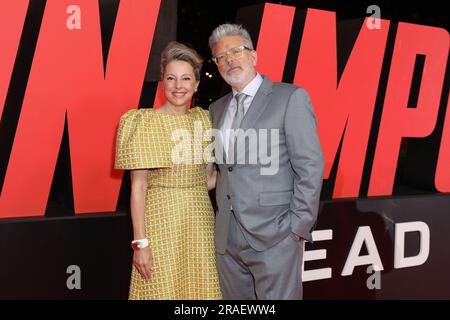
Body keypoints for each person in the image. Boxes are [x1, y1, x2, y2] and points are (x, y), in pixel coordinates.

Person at [208, 24, 325, 299]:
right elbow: (223, 170)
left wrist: (297, 227)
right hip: (227, 238)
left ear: (253, 56)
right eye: (221, 57)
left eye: (236, 51)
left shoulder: (290, 98)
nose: (229, 60)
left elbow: (310, 166)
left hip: (276, 235)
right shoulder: (216, 109)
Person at [114, 41, 222, 300]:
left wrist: (246, 175)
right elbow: (138, 187)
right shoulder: (143, 122)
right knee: (159, 289)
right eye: (171, 78)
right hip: (160, 221)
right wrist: (141, 243)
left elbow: (208, 179)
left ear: (196, 84)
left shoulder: (204, 119)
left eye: (186, 78)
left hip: (199, 221)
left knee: (200, 291)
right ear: (162, 81)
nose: (178, 86)